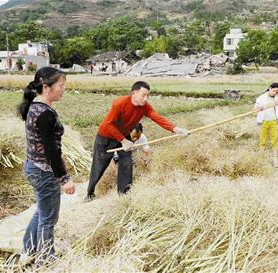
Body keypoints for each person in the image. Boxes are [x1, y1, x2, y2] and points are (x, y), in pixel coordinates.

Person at [86, 81, 188, 200]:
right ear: (134, 93)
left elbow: (157, 117)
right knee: (99, 166)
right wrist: (123, 141)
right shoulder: (119, 103)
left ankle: (124, 194)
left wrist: (175, 129)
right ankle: (90, 192)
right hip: (106, 137)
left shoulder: (145, 107)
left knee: (126, 163)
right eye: (143, 95)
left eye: (148, 96)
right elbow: (109, 124)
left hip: (124, 135)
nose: (146, 99)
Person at [17, 67, 76, 266]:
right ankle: (46, 260)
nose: (63, 89)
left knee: (42, 211)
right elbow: (51, 151)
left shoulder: (36, 106)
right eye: (61, 85)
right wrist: (64, 179)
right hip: (43, 171)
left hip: (34, 166)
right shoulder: (45, 114)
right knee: (49, 218)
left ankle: (29, 249)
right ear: (46, 87)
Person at [254, 82, 278, 166]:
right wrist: (257, 109)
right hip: (264, 122)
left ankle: (275, 161)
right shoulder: (261, 98)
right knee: (262, 141)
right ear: (270, 88)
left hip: (273, 122)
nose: (275, 93)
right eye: (274, 90)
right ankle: (260, 159)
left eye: (277, 91)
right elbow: (255, 110)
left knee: (274, 141)